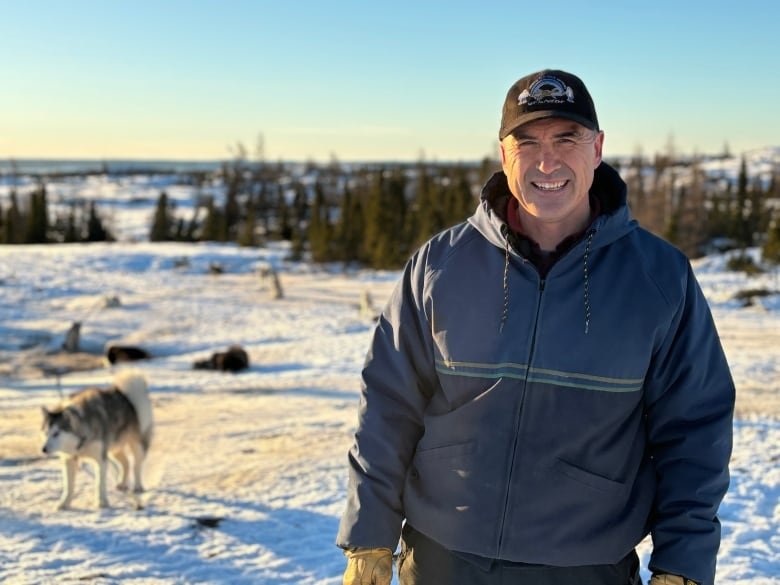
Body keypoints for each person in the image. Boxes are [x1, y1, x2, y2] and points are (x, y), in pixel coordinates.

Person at [336, 69, 734, 585]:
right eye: (527, 142)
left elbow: (695, 431)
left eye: (567, 138)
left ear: (597, 149)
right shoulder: (440, 266)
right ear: (504, 156)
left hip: (586, 568)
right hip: (439, 561)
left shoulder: (659, 278)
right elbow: (388, 406)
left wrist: (683, 563)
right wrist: (370, 533)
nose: (547, 161)